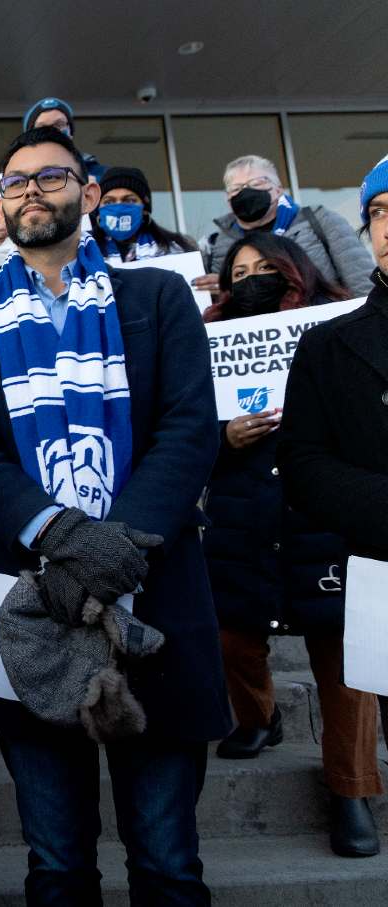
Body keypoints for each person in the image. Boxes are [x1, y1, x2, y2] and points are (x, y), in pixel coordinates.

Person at [0, 127, 229, 905]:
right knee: (57, 864)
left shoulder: (158, 296)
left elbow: (190, 427)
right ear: (0, 206)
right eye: (15, 183)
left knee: (167, 861)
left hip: (152, 589)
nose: (30, 192)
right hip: (30, 605)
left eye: (50, 177)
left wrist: (116, 543)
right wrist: (61, 535)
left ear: (89, 195)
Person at [199, 232, 381, 857]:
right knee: (234, 638)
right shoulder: (203, 344)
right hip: (243, 521)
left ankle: (351, 789)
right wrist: (223, 436)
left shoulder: (337, 338)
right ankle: (258, 717)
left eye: (266, 268)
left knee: (343, 661)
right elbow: (179, 434)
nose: (252, 279)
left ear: (296, 272)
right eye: (239, 271)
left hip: (322, 516)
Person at [278, 155, 388, 840]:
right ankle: (352, 789)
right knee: (352, 681)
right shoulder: (328, 346)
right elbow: (303, 463)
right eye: (381, 213)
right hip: (368, 556)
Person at [196, 154, 375, 297]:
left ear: (278, 189)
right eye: (236, 189)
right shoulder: (216, 246)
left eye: (257, 183)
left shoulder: (319, 221)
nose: (246, 191)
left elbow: (361, 280)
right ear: (228, 199)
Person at [89, 166, 197, 264]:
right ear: (99, 208)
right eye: (109, 202)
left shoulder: (178, 246)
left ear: (145, 208)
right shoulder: (82, 248)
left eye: (129, 201)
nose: (119, 209)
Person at [22, 97, 105, 180]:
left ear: (70, 132)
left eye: (59, 124)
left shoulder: (103, 176)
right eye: (42, 127)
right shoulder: (17, 177)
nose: (52, 131)